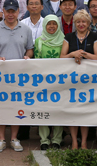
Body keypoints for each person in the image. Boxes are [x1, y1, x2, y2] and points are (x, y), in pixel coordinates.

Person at [0, 0, 34, 153]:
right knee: (1, 106)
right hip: (0, 76)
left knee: (16, 107)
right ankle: (1, 139)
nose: (11, 14)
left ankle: (14, 138)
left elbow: (30, 49)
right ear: (3, 12)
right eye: (8, 11)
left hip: (19, 76)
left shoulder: (26, 29)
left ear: (18, 12)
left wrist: (27, 56)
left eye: (14, 11)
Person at [61, 10, 97, 150]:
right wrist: (72, 53)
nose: (81, 24)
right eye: (78, 21)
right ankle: (74, 141)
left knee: (84, 111)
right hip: (71, 80)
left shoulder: (95, 37)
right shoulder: (69, 36)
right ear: (75, 23)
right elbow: (61, 58)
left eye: (84, 21)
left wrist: (83, 54)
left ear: (88, 23)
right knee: (73, 111)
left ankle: (83, 142)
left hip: (89, 80)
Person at [34, 15, 65, 149]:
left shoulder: (64, 40)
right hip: (43, 82)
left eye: (54, 24)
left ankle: (57, 139)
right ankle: (44, 140)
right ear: (44, 26)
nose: (52, 26)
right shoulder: (39, 41)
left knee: (58, 110)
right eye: (49, 24)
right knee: (44, 110)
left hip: (60, 82)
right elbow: (36, 61)